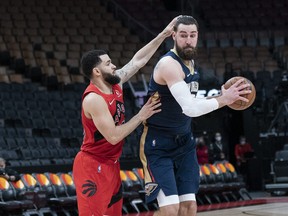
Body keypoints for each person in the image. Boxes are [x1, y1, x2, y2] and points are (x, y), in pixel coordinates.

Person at [139, 15, 252, 216]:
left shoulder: (191, 63)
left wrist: (222, 96)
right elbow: (189, 109)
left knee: (189, 207)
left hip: (184, 143)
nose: (188, 40)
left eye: (192, 35)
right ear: (173, 36)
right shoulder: (169, 65)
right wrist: (224, 99)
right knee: (171, 210)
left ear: (198, 36)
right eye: (183, 35)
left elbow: (193, 103)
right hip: (159, 144)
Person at [72, 17, 179, 216]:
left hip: (112, 163)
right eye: (108, 63)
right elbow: (113, 136)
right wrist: (141, 115)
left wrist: (163, 35)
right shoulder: (94, 99)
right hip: (92, 164)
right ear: (97, 71)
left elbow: (137, 61)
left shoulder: (116, 83)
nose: (114, 66)